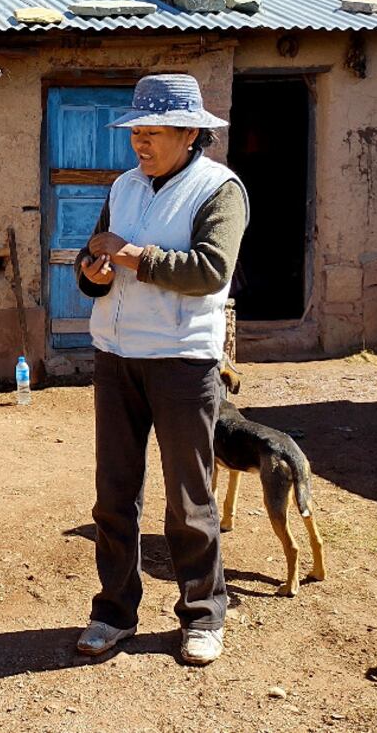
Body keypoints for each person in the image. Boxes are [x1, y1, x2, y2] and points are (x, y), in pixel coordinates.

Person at [73, 73, 248, 666]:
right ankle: (114, 611)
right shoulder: (124, 185)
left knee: (189, 497)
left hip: (180, 362)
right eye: (136, 134)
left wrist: (131, 255)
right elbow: (93, 253)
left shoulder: (218, 189)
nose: (140, 145)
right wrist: (92, 272)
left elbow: (211, 269)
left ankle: (203, 615)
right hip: (116, 356)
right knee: (113, 496)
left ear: (190, 133)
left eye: (152, 134)